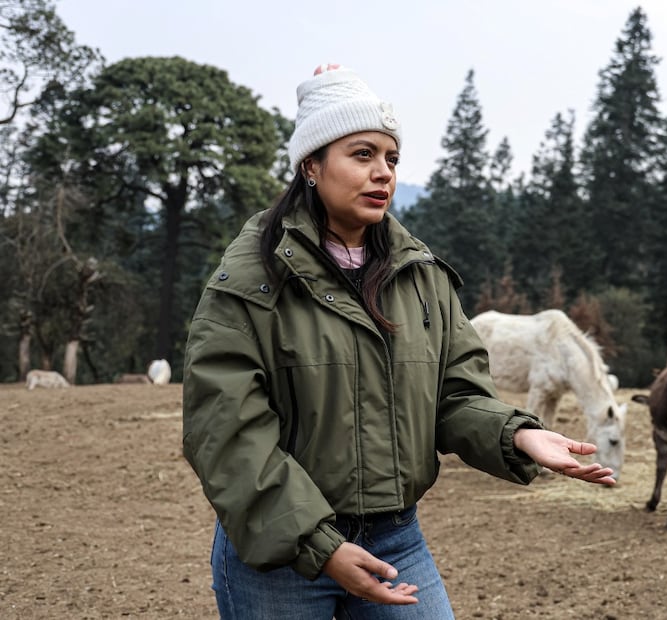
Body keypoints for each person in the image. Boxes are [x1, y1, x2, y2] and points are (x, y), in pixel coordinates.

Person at [181, 63, 616, 620]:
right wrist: (321, 545)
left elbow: (454, 396)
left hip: (395, 541)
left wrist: (517, 435)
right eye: (361, 155)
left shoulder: (421, 276)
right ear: (311, 165)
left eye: (391, 159)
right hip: (279, 551)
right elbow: (226, 433)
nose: (382, 172)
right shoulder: (250, 277)